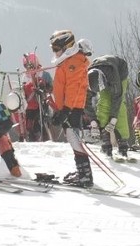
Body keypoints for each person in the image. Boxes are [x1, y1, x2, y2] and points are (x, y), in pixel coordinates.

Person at [48, 30, 93, 186]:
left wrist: (66, 111)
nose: (54, 52)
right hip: (67, 108)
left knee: (74, 138)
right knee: (72, 137)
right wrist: (59, 110)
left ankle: (85, 175)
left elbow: (74, 89)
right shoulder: (68, 62)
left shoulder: (73, 63)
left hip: (72, 108)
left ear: (67, 47)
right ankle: (83, 173)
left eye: (56, 48)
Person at [88, 54, 132, 159]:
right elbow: (85, 102)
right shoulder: (87, 80)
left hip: (119, 73)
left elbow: (117, 97)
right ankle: (106, 141)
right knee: (103, 103)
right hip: (100, 73)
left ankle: (123, 143)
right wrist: (93, 121)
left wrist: (113, 120)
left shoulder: (112, 74)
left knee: (120, 106)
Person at [21, 52, 53, 142]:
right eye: (26, 65)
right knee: (30, 125)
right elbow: (23, 91)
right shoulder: (25, 76)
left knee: (43, 122)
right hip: (30, 105)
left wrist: (44, 88)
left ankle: (46, 140)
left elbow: (51, 88)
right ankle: (32, 141)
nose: (29, 67)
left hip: (42, 103)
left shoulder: (44, 74)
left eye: (31, 64)